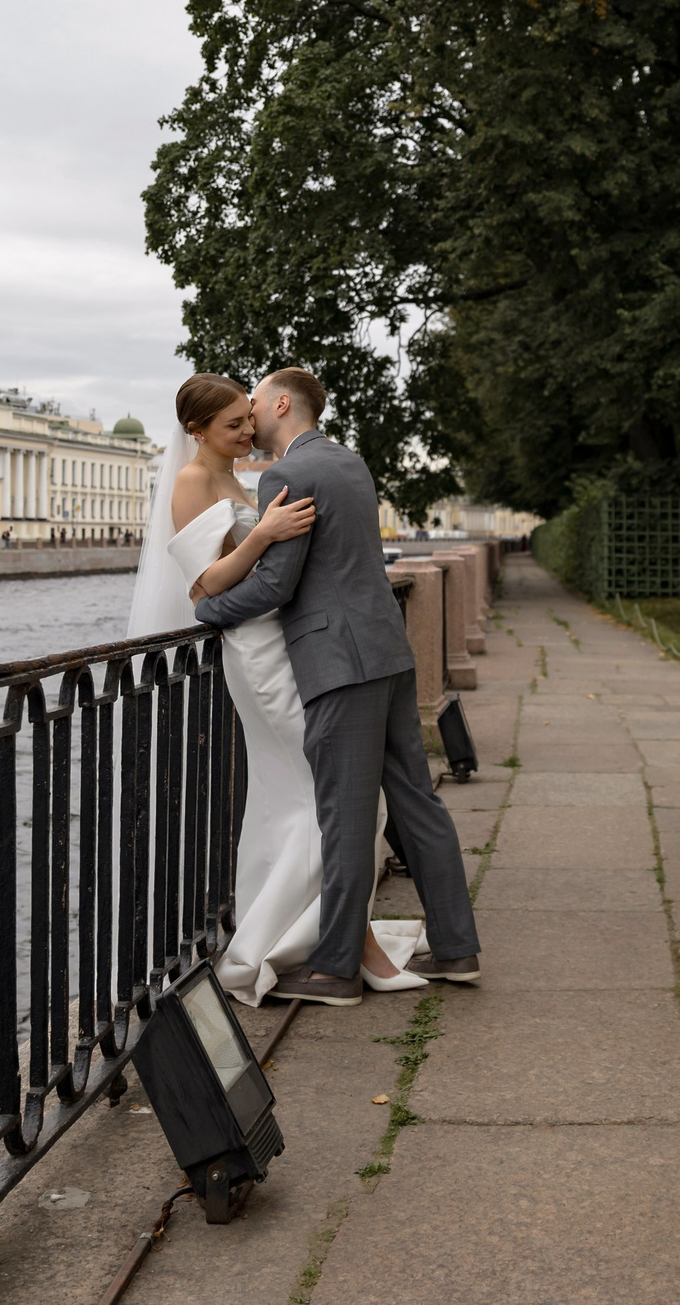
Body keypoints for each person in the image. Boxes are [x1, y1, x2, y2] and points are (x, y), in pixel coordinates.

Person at [129, 373, 445, 1006]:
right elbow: (206, 582)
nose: (249, 431)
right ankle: (350, 952)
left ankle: (322, 941)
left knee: (318, 796)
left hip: (290, 641)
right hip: (256, 650)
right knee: (320, 793)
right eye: (233, 426)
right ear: (196, 431)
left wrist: (269, 535)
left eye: (248, 419)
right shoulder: (193, 482)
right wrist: (268, 534)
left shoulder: (242, 481)